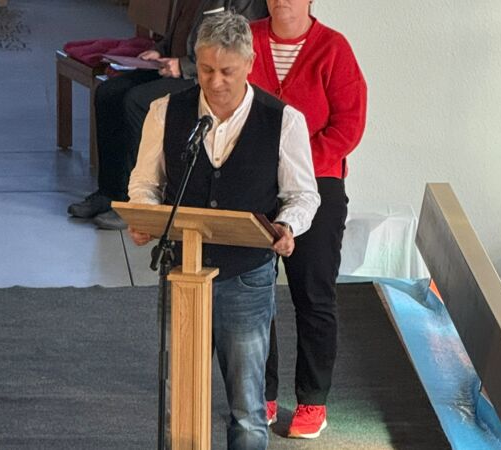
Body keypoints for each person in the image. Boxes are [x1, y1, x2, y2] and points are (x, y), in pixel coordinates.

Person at [127, 11, 320, 449]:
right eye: (206, 69)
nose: (215, 82)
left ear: (249, 63)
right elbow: (145, 183)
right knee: (180, 402)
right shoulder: (165, 112)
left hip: (246, 275)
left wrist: (287, 226)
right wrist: (146, 215)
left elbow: (303, 195)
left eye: (227, 71)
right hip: (183, 273)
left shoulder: (284, 120)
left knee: (248, 410)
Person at [247, 0, 368, 439]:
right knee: (252, 294)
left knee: (314, 295)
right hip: (253, 182)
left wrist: (294, 163)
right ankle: (261, 394)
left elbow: (348, 127)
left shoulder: (334, 48)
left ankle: (313, 400)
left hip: (319, 182)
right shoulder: (248, 39)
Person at [67, 0, 268, 230]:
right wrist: (160, 50)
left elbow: (238, 47)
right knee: (108, 93)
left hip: (202, 77)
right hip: (170, 67)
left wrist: (184, 65)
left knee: (136, 102)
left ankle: (131, 202)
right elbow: (177, 33)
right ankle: (109, 192)